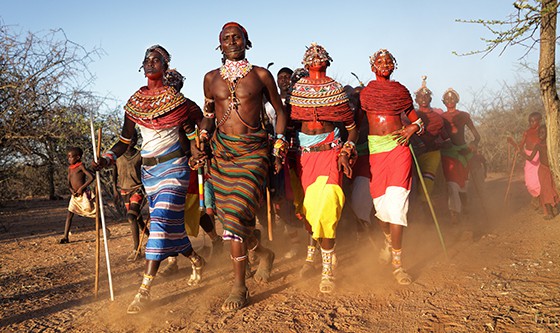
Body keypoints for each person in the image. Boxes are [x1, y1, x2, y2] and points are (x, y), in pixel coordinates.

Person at [92, 45, 206, 315]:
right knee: (170, 227)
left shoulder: (176, 102)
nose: (151, 63)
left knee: (158, 226)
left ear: (165, 67)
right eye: (147, 60)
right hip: (149, 173)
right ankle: (195, 259)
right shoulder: (134, 103)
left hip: (175, 169)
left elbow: (191, 131)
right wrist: (106, 159)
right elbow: (124, 141)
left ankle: (143, 291)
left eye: (157, 60)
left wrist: (197, 149)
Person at [198, 22, 287, 311]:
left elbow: (280, 112)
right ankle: (264, 253)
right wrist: (201, 136)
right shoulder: (211, 79)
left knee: (235, 216)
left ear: (247, 42)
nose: (232, 41)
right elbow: (208, 116)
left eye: (238, 37)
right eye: (227, 38)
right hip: (222, 155)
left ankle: (239, 287)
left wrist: (279, 145)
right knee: (232, 224)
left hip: (253, 153)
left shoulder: (261, 75)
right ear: (219, 45)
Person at [287, 43, 358, 293]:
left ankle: (327, 271)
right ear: (306, 63)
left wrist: (348, 149)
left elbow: (351, 127)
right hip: (306, 156)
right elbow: (288, 123)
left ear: (327, 62)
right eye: (311, 56)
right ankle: (313, 253)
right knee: (310, 213)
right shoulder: (298, 91)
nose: (316, 58)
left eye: (320, 56)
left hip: (331, 153)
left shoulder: (335, 89)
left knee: (327, 207)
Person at [359, 49, 424, 285]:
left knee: (397, 207)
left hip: (399, 149)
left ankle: (398, 266)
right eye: (379, 61)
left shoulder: (400, 91)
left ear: (393, 66)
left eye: (388, 61)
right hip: (376, 152)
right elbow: (354, 124)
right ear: (373, 67)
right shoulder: (365, 94)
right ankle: (387, 239)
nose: (384, 64)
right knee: (381, 210)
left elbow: (417, 120)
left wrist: (412, 129)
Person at [440, 88, 481, 221]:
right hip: (448, 153)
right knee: (452, 184)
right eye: (447, 99)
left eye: (452, 98)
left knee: (463, 186)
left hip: (464, 153)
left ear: (457, 100)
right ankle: (455, 214)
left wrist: (472, 145)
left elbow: (476, 136)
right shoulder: (441, 118)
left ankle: (465, 206)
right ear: (443, 101)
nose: (450, 101)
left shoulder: (464, 116)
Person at [112, 129, 148, 261]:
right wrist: (115, 190)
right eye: (129, 138)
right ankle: (151, 239)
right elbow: (114, 174)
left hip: (137, 189)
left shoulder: (140, 155)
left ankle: (136, 250)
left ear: (136, 140)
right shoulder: (118, 156)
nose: (131, 141)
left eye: (134, 138)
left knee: (131, 216)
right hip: (124, 190)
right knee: (137, 219)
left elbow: (145, 172)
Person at [412, 76, 447, 204]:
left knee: (427, 180)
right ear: (416, 99)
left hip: (432, 153)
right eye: (420, 97)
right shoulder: (410, 116)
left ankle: (425, 206)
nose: (423, 99)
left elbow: (445, 136)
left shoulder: (438, 118)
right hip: (414, 153)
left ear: (430, 99)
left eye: (426, 97)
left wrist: (440, 142)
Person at [60, 147, 96, 244]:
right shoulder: (70, 168)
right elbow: (68, 181)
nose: (69, 159)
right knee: (69, 214)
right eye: (68, 157)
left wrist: (81, 188)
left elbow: (91, 177)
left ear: (78, 157)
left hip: (83, 194)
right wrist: (71, 190)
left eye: (71, 157)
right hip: (75, 196)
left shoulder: (81, 166)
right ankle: (65, 237)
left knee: (92, 213)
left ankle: (104, 229)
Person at [522, 125, 559, 219]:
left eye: (543, 132)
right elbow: (530, 158)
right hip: (543, 170)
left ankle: (557, 208)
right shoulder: (538, 145)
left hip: (551, 169)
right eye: (539, 133)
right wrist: (521, 153)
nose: (540, 135)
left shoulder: (551, 144)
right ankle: (550, 213)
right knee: (545, 190)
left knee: (554, 188)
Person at [515, 112, 543, 209]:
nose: (531, 123)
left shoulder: (542, 132)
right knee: (529, 181)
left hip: (540, 157)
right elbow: (521, 144)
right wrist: (517, 148)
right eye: (530, 121)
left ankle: (539, 200)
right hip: (529, 158)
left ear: (539, 121)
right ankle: (535, 196)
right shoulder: (526, 132)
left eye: (533, 121)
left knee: (539, 180)